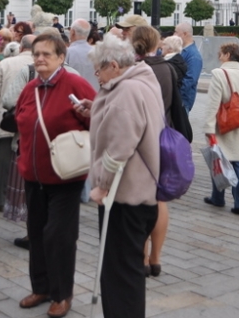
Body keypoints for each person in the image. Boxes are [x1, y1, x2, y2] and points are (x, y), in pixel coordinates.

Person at [14, 33, 96, 317]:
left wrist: (85, 116)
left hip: (65, 177)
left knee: (58, 236)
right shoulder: (31, 88)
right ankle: (41, 287)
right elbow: (20, 118)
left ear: (61, 57)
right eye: (37, 53)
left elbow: (98, 117)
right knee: (36, 233)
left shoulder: (74, 84)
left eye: (47, 54)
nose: (40, 59)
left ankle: (62, 294)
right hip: (33, 175)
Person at [82, 34, 164, 318]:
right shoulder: (143, 81)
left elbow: (118, 148)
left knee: (119, 275)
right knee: (128, 271)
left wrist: (101, 187)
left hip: (124, 195)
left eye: (99, 70)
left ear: (114, 66)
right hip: (143, 193)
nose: (97, 77)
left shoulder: (125, 91)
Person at [129, 25, 176, 276]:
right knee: (160, 200)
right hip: (163, 134)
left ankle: (144, 257)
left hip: (142, 140)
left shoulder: (137, 70)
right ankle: (156, 258)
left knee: (142, 199)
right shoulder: (167, 67)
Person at [202, 42, 239, 215]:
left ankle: (218, 198)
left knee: (218, 159)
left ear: (227, 55)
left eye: (221, 53)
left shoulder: (219, 73)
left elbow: (213, 104)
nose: (219, 57)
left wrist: (209, 127)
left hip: (223, 125)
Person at [0, 36, 34, 213]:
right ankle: (21, 199)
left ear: (21, 46)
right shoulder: (43, 64)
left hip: (7, 119)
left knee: (3, 160)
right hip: (31, 121)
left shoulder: (5, 64)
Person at [175, 22, 202, 111]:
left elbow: (190, 80)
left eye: (176, 32)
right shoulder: (182, 51)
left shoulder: (193, 55)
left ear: (185, 34)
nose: (174, 35)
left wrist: (175, 93)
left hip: (182, 101)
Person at [65, 19, 96, 89]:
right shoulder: (97, 52)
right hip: (95, 95)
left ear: (72, 32)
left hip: (74, 95)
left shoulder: (67, 52)